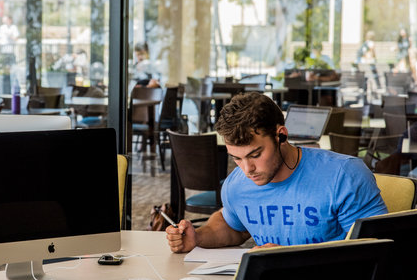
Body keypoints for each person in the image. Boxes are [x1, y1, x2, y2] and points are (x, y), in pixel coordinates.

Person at [165, 92, 387, 252]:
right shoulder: (236, 185)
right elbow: (233, 226)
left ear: (281, 135)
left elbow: (374, 249)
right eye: (237, 158)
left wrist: (289, 261)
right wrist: (197, 236)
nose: (247, 169)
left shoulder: (344, 175)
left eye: (255, 155)